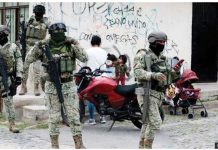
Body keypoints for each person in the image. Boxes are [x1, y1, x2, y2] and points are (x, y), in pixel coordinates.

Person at [23, 22, 88, 149]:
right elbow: (28, 59)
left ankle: (79, 144)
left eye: (62, 32)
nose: (60, 35)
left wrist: (76, 43)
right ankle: (54, 145)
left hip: (68, 84)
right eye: (57, 33)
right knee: (54, 118)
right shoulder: (44, 46)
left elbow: (85, 58)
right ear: (51, 34)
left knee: (74, 117)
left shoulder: (70, 45)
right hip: (52, 85)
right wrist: (37, 46)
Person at [133, 31, 180, 148]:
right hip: (146, 92)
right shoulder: (142, 55)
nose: (163, 44)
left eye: (164, 42)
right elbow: (137, 72)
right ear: (153, 42)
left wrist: (176, 71)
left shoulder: (162, 58)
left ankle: (142, 147)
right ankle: (147, 147)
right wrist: (153, 75)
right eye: (161, 42)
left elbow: (169, 77)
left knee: (147, 122)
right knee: (155, 122)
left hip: (158, 94)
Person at [19, 4, 50, 96]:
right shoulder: (30, 20)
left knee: (37, 68)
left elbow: (51, 30)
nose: (38, 16)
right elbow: (23, 32)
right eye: (37, 14)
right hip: (28, 47)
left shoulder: (46, 21)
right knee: (25, 67)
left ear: (43, 14)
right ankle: (23, 87)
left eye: (39, 14)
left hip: (38, 47)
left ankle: (36, 87)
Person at [0, 25, 23, 133]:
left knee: (9, 101)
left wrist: (19, 76)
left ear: (5, 35)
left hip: (7, 77)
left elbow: (19, 61)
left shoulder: (13, 47)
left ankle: (12, 123)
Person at [84, 35, 107, 125]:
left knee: (91, 98)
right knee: (102, 98)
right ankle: (102, 117)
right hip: (102, 77)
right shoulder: (104, 52)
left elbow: (83, 65)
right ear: (100, 43)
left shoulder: (87, 52)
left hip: (92, 78)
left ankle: (91, 119)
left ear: (91, 43)